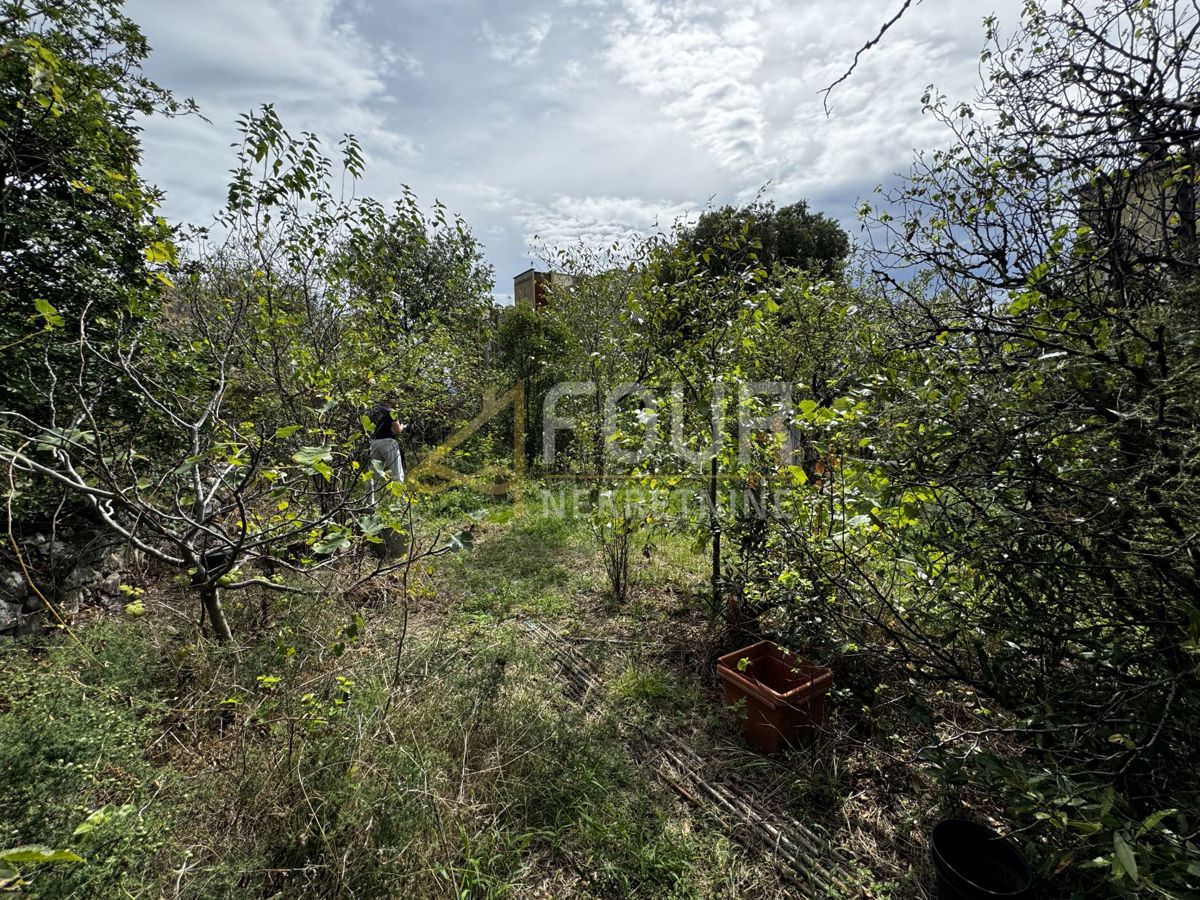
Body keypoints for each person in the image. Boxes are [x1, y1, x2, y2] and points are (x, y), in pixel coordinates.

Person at [367, 399, 406, 504]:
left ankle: (369, 502)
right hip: (388, 442)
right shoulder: (391, 412)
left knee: (373, 474)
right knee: (397, 472)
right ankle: (402, 502)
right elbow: (397, 430)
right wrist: (403, 426)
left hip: (374, 443)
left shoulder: (373, 412)